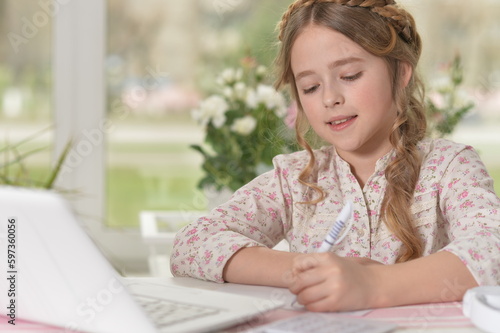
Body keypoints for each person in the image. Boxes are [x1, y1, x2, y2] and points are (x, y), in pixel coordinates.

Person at [171, 0, 500, 312]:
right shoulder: (295, 180)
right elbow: (191, 244)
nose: (329, 98)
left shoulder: (448, 168)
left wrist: (372, 284)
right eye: (310, 87)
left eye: (350, 76)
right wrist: (313, 271)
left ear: (401, 72)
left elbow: (492, 249)